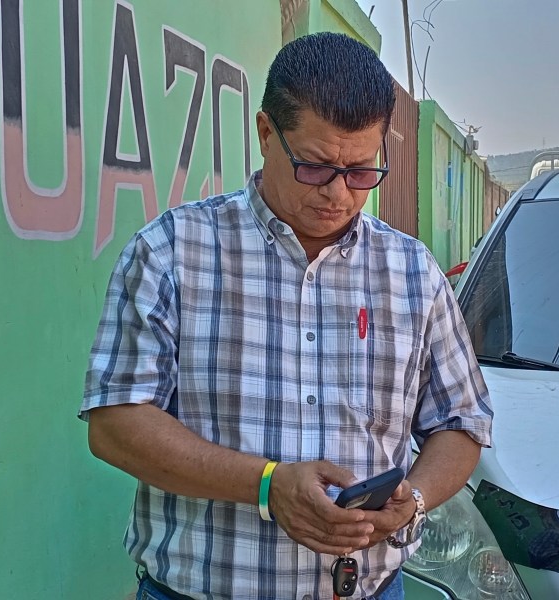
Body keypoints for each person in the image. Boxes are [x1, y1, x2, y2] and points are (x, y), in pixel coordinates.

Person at [79, 32, 493, 600]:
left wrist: (413, 498)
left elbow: (461, 423)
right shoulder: (171, 253)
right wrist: (267, 485)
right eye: (317, 167)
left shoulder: (413, 273)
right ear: (266, 134)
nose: (340, 194)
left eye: (361, 170)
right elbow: (116, 425)